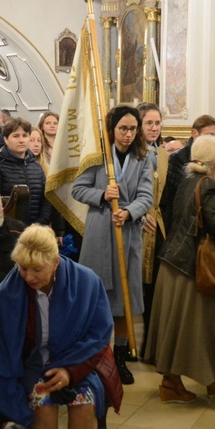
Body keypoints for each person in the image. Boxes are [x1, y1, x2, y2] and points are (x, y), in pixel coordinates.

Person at [0, 225, 122, 429]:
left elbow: (98, 337)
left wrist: (70, 372)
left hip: (77, 362)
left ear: (56, 262)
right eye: (23, 268)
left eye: (37, 269)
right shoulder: (8, 294)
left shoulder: (87, 282)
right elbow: (4, 350)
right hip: (33, 365)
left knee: (84, 405)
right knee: (42, 405)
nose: (29, 277)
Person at [145, 135, 215, 402]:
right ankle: (191, 382)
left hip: (174, 262)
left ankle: (208, 379)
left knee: (181, 325)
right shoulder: (210, 186)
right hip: (195, 268)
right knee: (203, 325)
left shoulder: (186, 181)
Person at [72, 105, 153, 385]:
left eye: (133, 129)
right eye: (123, 129)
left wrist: (130, 211)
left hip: (127, 234)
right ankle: (96, 357)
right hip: (99, 233)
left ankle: (119, 358)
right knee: (97, 298)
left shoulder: (144, 157)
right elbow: (77, 189)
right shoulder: (98, 156)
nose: (128, 134)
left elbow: (146, 195)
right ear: (112, 129)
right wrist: (103, 194)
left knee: (124, 299)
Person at [138, 103, 168, 358]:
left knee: (152, 288)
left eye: (157, 123)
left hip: (157, 226)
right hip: (135, 225)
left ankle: (151, 343)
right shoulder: (132, 153)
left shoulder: (160, 152)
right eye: (149, 123)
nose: (154, 128)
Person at [0, 118, 51, 226]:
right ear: (6, 139)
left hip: (35, 229)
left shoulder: (36, 166)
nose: (21, 140)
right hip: (7, 230)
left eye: (25, 136)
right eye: (16, 136)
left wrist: (40, 223)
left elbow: (46, 199)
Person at [160, 115, 215, 229]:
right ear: (195, 133)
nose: (213, 140)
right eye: (209, 135)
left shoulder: (214, 156)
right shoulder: (178, 157)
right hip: (182, 219)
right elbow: (184, 188)